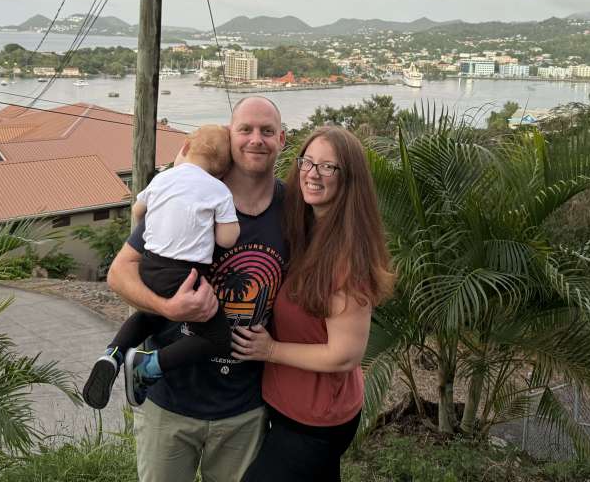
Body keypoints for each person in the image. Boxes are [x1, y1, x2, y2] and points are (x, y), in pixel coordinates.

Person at [106, 96, 289, 482]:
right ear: (230, 135)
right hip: (170, 402)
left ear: (282, 140)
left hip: (246, 405)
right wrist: (167, 308)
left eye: (267, 131)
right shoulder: (191, 195)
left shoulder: (294, 210)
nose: (256, 139)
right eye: (246, 129)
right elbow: (119, 273)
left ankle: (116, 354)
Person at [232, 125, 394, 482]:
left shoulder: (347, 256)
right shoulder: (309, 231)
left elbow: (345, 355)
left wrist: (269, 350)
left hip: (316, 422)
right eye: (308, 162)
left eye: (328, 167)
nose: (313, 174)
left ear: (348, 179)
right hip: (292, 410)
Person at [82, 124, 240, 409]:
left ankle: (113, 355)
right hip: (184, 274)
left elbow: (137, 211)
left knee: (149, 315)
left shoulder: (162, 178)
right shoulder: (218, 189)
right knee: (217, 338)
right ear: (222, 171)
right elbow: (227, 239)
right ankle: (149, 365)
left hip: (150, 267)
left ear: (186, 147)